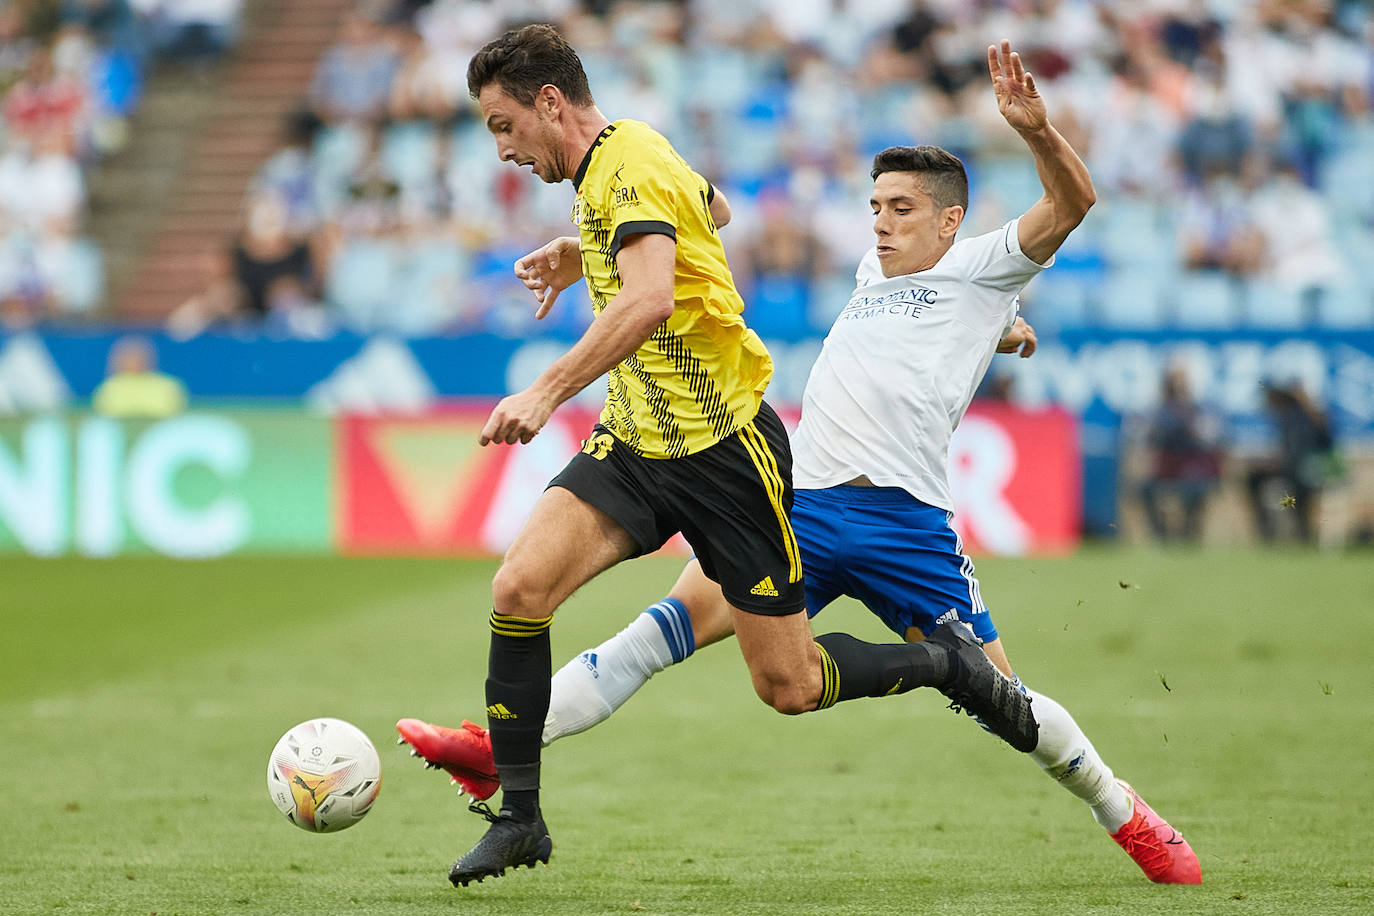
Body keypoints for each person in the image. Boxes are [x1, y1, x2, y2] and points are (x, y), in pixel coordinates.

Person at [402, 38, 1202, 887]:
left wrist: (1037, 138)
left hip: (907, 524)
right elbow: (732, 236)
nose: (881, 224)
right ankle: (499, 747)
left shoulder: (986, 267)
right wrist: (998, 333)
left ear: (949, 221)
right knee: (656, 638)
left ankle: (1125, 813)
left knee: (1009, 706)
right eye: (874, 206)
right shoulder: (872, 273)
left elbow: (1074, 201)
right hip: (803, 505)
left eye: (900, 209)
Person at [1246, 380, 1339, 543]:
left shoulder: (1308, 417)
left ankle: (1280, 534)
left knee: (1290, 488)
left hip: (1307, 471)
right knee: (1254, 479)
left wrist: (1273, 464)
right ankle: (1269, 532)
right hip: (1295, 470)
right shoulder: (1290, 417)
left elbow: (1315, 447)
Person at [1139, 364, 1223, 542]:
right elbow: (1149, 437)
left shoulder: (1198, 409)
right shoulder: (1159, 410)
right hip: (1167, 466)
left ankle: (1188, 532)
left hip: (1191, 465)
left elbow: (1209, 437)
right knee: (1145, 490)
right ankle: (1161, 534)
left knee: (1196, 490)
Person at [92, 335, 187, 418]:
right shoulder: (109, 387)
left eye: (138, 356)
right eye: (128, 356)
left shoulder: (167, 386)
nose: (134, 361)